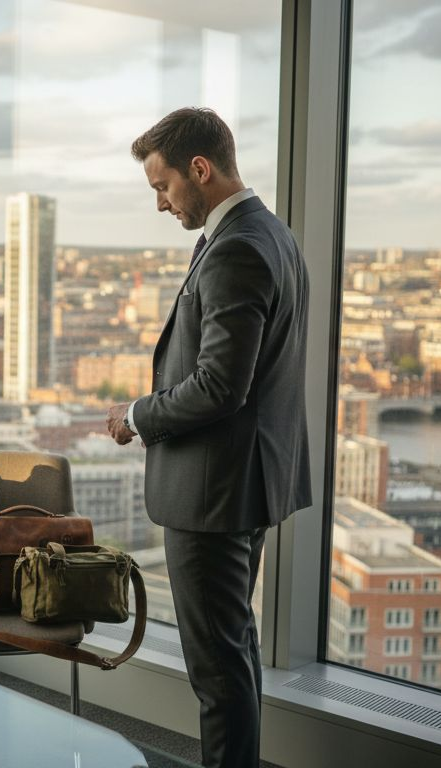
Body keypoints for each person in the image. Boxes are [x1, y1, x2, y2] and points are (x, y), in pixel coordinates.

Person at [105, 107, 311, 768]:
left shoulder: (239, 249)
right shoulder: (271, 234)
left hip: (212, 495)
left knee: (217, 676)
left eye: (163, 187)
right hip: (246, 481)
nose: (161, 204)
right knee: (233, 651)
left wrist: (137, 416)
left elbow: (221, 385)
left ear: (201, 169)